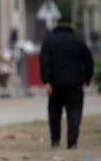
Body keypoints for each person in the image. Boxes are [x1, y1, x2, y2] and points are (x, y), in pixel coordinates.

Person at [39, 16, 94, 149]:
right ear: (71, 25)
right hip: (75, 83)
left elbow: (44, 61)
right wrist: (87, 78)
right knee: (74, 112)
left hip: (55, 84)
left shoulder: (49, 41)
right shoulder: (78, 41)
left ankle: (55, 140)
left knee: (54, 111)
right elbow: (89, 61)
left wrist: (46, 81)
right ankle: (72, 141)